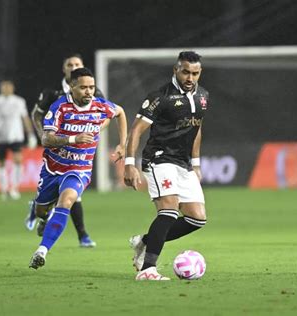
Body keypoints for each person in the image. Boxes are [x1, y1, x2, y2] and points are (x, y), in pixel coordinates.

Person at [28, 67, 127, 269]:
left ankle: (42, 251)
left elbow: (120, 112)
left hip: (79, 168)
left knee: (67, 201)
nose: (89, 91)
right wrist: (74, 138)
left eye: (91, 87)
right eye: (83, 88)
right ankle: (43, 217)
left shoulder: (100, 106)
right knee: (41, 210)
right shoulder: (59, 107)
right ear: (72, 87)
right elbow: (46, 139)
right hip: (53, 168)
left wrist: (122, 144)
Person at [124, 51, 208, 281]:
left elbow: (196, 129)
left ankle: (145, 242)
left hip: (183, 163)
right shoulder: (160, 97)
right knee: (169, 210)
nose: (190, 77)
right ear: (176, 70)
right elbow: (136, 130)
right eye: (185, 72)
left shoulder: (203, 96)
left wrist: (196, 163)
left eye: (195, 73)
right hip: (159, 159)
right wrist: (129, 164)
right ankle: (147, 269)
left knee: (197, 218)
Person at [26, 53, 106, 248]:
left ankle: (83, 235)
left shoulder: (93, 92)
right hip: (55, 147)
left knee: (72, 194)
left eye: (77, 63)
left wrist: (91, 130)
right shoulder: (52, 93)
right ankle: (40, 211)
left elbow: (105, 116)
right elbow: (36, 114)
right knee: (53, 198)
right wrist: (43, 135)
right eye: (69, 64)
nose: (73, 66)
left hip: (79, 150)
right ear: (64, 69)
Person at [0, 80, 37, 200]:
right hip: (0, 137)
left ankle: (14, 188)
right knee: (1, 163)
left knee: (18, 160)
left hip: (16, 136)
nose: (6, 89)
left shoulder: (19, 101)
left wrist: (31, 134)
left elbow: (25, 118)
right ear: (1, 88)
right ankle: (4, 189)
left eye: (8, 87)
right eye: (4, 87)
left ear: (13, 88)